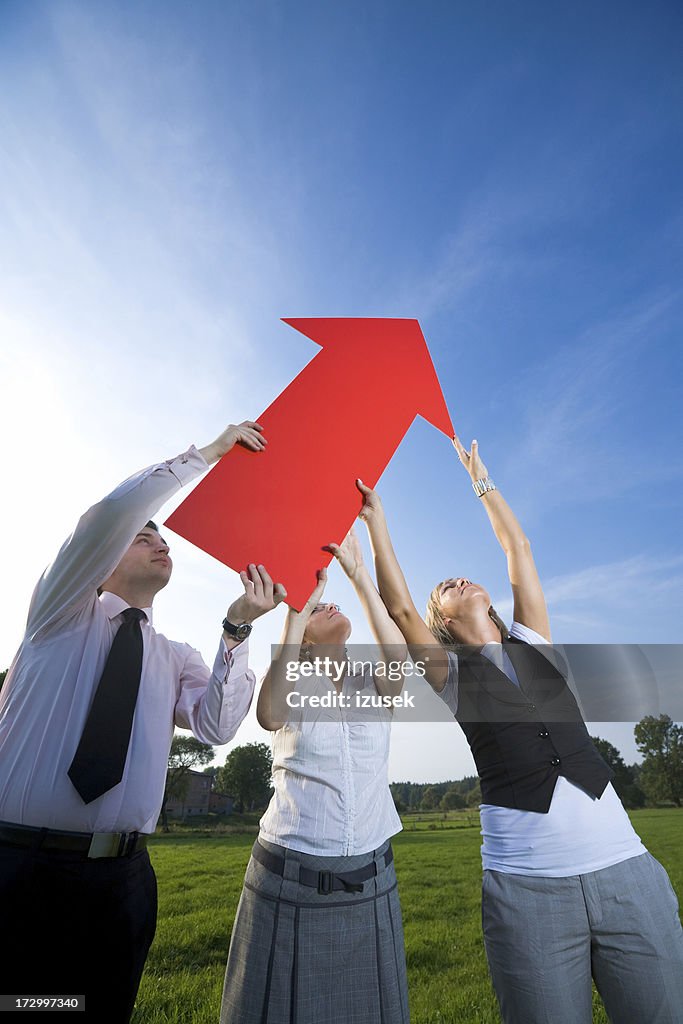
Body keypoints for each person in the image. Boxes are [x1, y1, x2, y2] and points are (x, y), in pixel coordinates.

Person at [356, 433, 683, 1024]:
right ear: (444, 622)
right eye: (445, 587)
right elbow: (400, 606)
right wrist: (378, 521)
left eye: (461, 576)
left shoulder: (535, 642)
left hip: (627, 874)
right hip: (529, 891)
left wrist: (481, 480)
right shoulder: (449, 672)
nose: (458, 579)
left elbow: (520, 547)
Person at [0, 421, 286, 1024]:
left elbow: (216, 726)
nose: (159, 542)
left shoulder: (174, 655)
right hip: (18, 871)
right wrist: (208, 453)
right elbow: (111, 512)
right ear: (100, 563)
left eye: (161, 538)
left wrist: (237, 629)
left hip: (122, 881)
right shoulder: (56, 614)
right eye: (141, 537)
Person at [220, 528, 411, 1024]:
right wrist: (296, 612)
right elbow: (268, 714)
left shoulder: (375, 679)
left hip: (371, 882)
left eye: (332, 604)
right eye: (320, 611)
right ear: (303, 632)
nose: (332, 606)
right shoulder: (292, 677)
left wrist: (358, 573)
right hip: (290, 879)